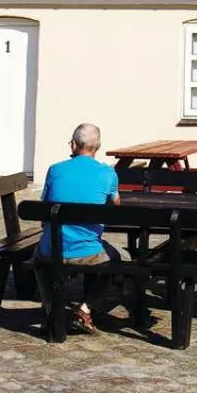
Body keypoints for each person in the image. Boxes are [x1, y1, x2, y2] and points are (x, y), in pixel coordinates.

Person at [34, 122, 121, 333]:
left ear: (73, 145)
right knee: (115, 259)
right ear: (97, 148)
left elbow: (45, 209)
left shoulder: (55, 170)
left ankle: (50, 307)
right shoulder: (107, 173)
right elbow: (116, 207)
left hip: (51, 249)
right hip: (88, 252)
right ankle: (85, 309)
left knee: (38, 256)